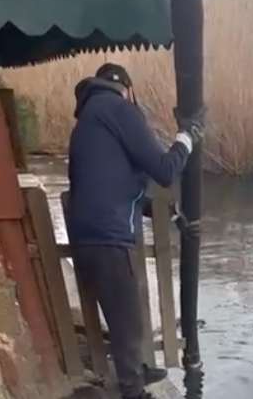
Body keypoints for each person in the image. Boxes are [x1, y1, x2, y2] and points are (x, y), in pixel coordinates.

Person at [66, 63, 204, 399]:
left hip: (86, 236)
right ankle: (133, 391)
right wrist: (186, 138)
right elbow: (164, 170)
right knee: (128, 323)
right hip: (109, 238)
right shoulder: (119, 109)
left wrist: (167, 214)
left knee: (122, 312)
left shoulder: (88, 120)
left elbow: (109, 184)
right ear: (126, 88)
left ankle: (136, 371)